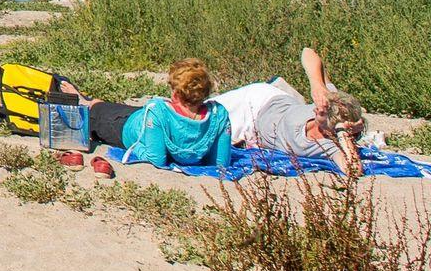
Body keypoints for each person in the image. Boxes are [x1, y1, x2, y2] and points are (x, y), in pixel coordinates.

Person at [214, 47, 366, 170]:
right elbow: (308, 52)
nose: (318, 109)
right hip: (260, 103)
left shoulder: (326, 146)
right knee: (204, 111)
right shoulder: (326, 101)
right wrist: (317, 84)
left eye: (323, 111)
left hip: (253, 129)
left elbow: (353, 169)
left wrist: (343, 132)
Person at [61, 59, 231, 169]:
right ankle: (91, 101)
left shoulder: (158, 113)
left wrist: (138, 146)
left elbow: (156, 159)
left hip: (127, 127)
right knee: (116, 108)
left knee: (97, 112)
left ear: (176, 94)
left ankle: (84, 101)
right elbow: (220, 163)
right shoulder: (219, 115)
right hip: (142, 117)